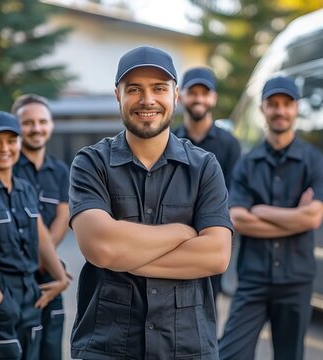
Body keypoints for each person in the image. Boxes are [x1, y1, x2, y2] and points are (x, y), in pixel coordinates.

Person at [68, 45, 233, 360]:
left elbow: (216, 255)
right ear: (118, 95)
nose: (147, 100)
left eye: (159, 88)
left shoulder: (204, 167)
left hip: (187, 347)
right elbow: (100, 247)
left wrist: (120, 255)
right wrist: (183, 233)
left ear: (175, 95)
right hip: (107, 347)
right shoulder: (90, 163)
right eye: (134, 89)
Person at [218, 76, 323, 360]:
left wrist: (262, 211)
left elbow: (314, 218)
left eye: (286, 104)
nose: (280, 110)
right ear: (263, 109)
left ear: (296, 108)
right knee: (230, 354)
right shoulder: (247, 163)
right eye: (273, 104)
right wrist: (296, 217)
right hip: (253, 280)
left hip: (296, 281)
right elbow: (238, 220)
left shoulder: (313, 160)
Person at [0, 111, 69, 360]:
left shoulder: (26, 189)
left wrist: (61, 279)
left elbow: (43, 241)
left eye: (10, 140)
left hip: (31, 296)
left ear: (19, 143)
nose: (3, 148)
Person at [173, 66, 240, 299]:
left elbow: (234, 194)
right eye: (193, 92)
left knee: (209, 309)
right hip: (174, 240)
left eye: (204, 92)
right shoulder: (169, 141)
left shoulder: (230, 144)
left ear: (213, 98)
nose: (199, 98)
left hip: (212, 239)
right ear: (181, 96)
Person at [11, 94, 70, 360]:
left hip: (48, 272)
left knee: (50, 346)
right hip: (14, 273)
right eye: (28, 122)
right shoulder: (6, 167)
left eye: (42, 121)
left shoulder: (60, 171)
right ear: (16, 126)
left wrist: (45, 259)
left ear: (51, 124)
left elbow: (63, 216)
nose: (36, 128)